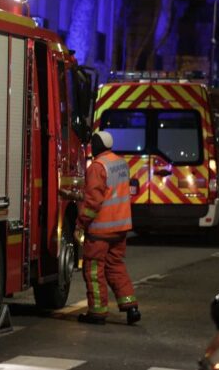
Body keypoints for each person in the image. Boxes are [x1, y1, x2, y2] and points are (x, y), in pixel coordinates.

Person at [75, 130, 141, 325]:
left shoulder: (97, 167)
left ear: (97, 146)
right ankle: (131, 307)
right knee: (116, 267)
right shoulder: (121, 164)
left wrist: (80, 223)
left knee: (94, 270)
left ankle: (97, 312)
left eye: (93, 143)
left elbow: (93, 202)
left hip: (100, 230)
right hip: (120, 228)